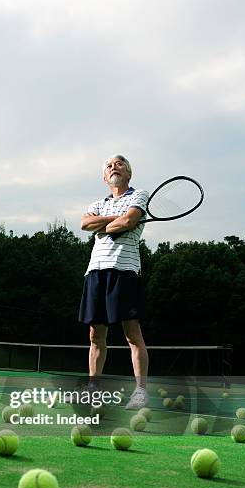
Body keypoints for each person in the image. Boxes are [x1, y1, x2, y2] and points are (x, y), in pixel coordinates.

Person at [78, 155, 149, 409]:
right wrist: (113, 223)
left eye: (119, 164)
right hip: (95, 271)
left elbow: (129, 221)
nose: (113, 167)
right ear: (104, 177)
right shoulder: (97, 203)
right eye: (109, 166)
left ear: (129, 173)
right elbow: (86, 223)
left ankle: (141, 392)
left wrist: (105, 225)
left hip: (125, 270)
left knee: (132, 334)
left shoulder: (139, 195)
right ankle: (93, 388)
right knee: (95, 335)